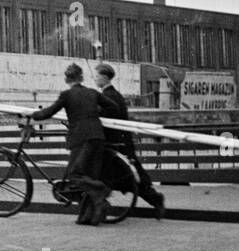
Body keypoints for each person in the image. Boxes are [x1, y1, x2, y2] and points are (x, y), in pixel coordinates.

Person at [26, 63, 121, 225]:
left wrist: (30, 115)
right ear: (82, 78)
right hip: (98, 137)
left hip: (81, 139)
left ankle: (100, 190)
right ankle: (89, 217)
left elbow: (48, 112)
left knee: (74, 175)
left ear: (66, 79)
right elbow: (114, 107)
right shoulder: (92, 93)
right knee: (91, 176)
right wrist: (93, 113)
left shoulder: (67, 95)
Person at [94, 62, 165, 219]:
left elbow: (106, 119)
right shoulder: (115, 95)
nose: (95, 79)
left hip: (115, 145)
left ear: (105, 77)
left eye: (97, 76)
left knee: (121, 177)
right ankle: (155, 199)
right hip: (122, 142)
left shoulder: (108, 96)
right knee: (129, 178)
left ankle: (100, 206)